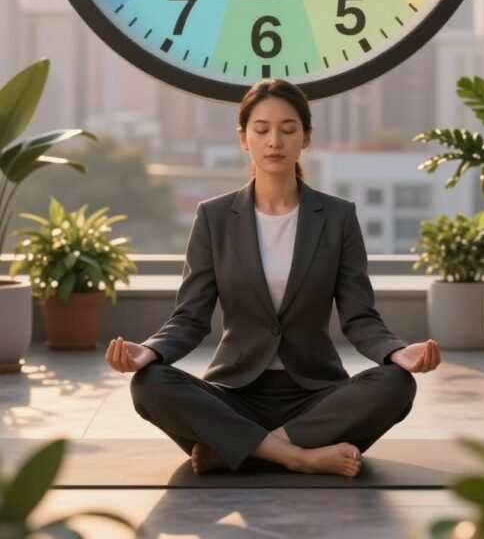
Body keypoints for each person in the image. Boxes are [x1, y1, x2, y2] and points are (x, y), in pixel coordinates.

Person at [105, 78, 441, 478]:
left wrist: (396, 353)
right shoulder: (214, 218)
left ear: (306, 137)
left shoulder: (338, 217)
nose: (274, 141)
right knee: (148, 385)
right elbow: (190, 318)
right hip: (234, 394)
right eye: (261, 130)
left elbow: (359, 317)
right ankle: (298, 456)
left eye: (288, 129)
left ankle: (238, 449)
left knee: (397, 386)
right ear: (244, 138)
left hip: (315, 396)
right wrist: (150, 351)